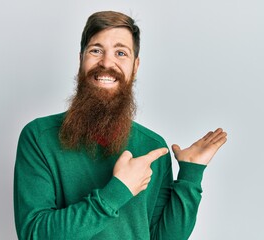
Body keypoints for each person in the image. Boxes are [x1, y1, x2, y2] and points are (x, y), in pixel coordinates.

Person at [13, 11, 227, 240]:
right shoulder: (38, 137)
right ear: (80, 59)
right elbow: (33, 234)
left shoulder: (152, 147)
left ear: (135, 66)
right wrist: (118, 191)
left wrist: (190, 174)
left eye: (120, 53)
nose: (106, 62)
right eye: (96, 50)